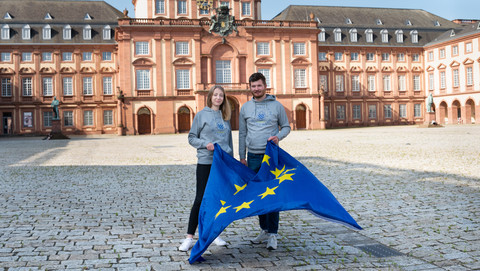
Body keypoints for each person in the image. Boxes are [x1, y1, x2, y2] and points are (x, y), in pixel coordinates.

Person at [239, 72, 291, 250]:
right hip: (252, 157)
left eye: (259, 85)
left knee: (272, 194)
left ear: (265, 86)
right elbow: (242, 133)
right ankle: (264, 229)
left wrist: (278, 137)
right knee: (258, 195)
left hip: (270, 157)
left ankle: (273, 234)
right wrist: (242, 156)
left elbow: (286, 127)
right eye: (253, 86)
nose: (256, 89)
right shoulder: (245, 108)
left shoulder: (277, 106)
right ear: (250, 87)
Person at [179, 86, 234, 252]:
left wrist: (231, 161)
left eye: (221, 96)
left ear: (223, 99)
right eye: (215, 95)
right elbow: (191, 138)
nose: (218, 98)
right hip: (206, 162)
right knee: (200, 198)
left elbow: (229, 141)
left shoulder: (225, 117)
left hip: (222, 164)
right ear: (210, 97)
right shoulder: (201, 115)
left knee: (217, 199)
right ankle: (189, 237)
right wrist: (205, 144)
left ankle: (214, 234)